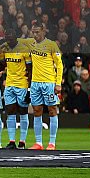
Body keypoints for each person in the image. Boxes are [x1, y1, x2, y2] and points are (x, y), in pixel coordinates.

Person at [28, 22, 63, 150]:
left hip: (49, 82)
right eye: (33, 32)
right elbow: (15, 41)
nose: (35, 34)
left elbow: (59, 65)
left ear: (43, 31)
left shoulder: (52, 45)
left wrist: (58, 83)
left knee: (52, 110)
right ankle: (38, 143)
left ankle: (52, 143)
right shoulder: (30, 43)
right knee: (37, 111)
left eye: (37, 32)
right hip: (35, 83)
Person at [1, 36, 32, 149]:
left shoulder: (24, 50)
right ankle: (12, 141)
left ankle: (22, 142)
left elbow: (30, 70)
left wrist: (29, 89)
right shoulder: (7, 50)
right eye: (7, 39)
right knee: (10, 112)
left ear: (15, 39)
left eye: (10, 39)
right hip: (9, 85)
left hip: (21, 85)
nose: (8, 41)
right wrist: (1, 49)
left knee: (23, 112)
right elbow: (3, 64)